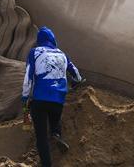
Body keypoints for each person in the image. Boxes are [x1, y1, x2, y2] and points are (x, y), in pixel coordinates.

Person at [21, 27, 82, 167]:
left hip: (40, 99)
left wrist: (25, 97)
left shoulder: (35, 52)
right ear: (53, 39)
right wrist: (77, 81)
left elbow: (28, 77)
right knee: (54, 120)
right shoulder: (62, 54)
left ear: (39, 40)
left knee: (41, 137)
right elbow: (76, 74)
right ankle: (56, 134)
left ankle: (46, 164)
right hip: (58, 100)